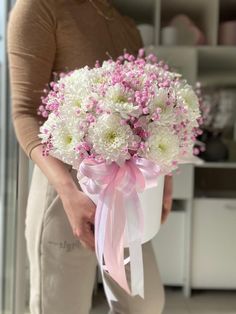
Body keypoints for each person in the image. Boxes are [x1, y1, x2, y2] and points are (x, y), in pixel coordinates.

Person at [7, 0, 173, 313]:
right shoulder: (38, 8)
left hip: (127, 189)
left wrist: (164, 175)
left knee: (144, 304)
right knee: (60, 306)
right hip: (64, 190)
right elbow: (25, 113)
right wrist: (68, 192)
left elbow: (145, 115)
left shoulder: (125, 24)